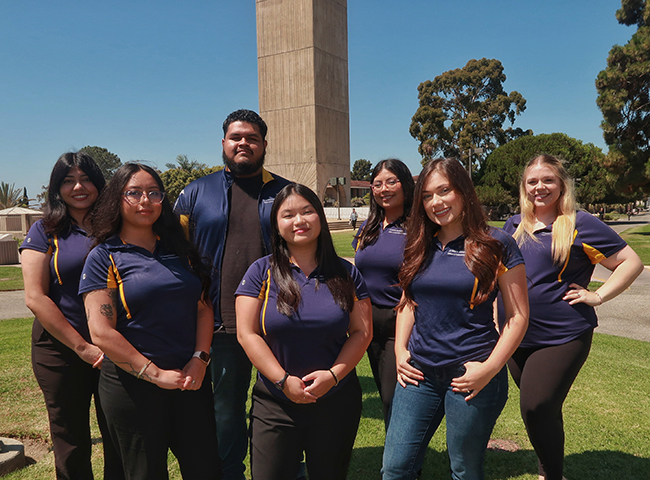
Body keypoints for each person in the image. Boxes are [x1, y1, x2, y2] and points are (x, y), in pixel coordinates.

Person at [382, 158, 529, 480]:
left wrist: (489, 369)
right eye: (427, 195)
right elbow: (408, 301)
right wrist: (400, 351)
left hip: (471, 375)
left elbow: (518, 316)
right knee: (395, 467)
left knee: (463, 469)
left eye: (444, 191)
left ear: (463, 192)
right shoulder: (419, 244)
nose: (436, 202)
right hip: (418, 373)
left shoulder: (496, 244)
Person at [501, 154, 643, 480]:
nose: (540, 187)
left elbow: (630, 262)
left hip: (563, 335)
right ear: (524, 187)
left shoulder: (581, 223)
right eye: (532, 181)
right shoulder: (513, 225)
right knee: (541, 410)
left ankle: (549, 476)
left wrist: (598, 295)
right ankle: (550, 470)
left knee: (536, 406)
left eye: (548, 180)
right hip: (516, 333)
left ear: (562, 184)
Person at [80, 163, 220, 479]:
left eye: (153, 193)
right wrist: (155, 374)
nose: (145, 200)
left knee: (206, 469)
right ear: (117, 198)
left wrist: (199, 359)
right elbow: (101, 332)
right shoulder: (105, 256)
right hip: (133, 388)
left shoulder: (180, 250)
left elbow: (202, 307)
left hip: (190, 380)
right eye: (134, 193)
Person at [173, 109, 291, 480]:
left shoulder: (284, 192)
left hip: (281, 320)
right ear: (223, 143)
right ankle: (230, 473)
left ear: (264, 145)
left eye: (252, 138)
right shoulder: (195, 192)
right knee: (226, 410)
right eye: (236, 137)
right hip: (221, 325)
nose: (244, 143)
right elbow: (177, 255)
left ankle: (285, 468)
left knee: (286, 401)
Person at [236, 183, 372, 480]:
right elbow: (247, 334)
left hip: (335, 402)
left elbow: (362, 332)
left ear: (320, 218)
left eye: (307, 211)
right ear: (276, 225)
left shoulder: (346, 273)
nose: (299, 221)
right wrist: (283, 380)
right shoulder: (261, 271)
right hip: (275, 403)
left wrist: (334, 375)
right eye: (288, 215)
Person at [21, 152, 124, 480]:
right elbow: (35, 297)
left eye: (86, 179)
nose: (78, 187)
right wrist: (82, 347)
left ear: (99, 184)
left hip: (116, 348)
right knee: (71, 439)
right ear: (56, 188)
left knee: (119, 433)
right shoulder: (44, 231)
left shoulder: (117, 227)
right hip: (60, 352)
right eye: (68, 180)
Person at [352, 158, 414, 427]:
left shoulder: (418, 228)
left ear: (405, 185)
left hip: (398, 320)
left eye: (391, 181)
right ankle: (400, 461)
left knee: (394, 396)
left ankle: (402, 465)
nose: (384, 189)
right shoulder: (369, 228)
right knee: (384, 392)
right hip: (366, 320)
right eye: (377, 184)